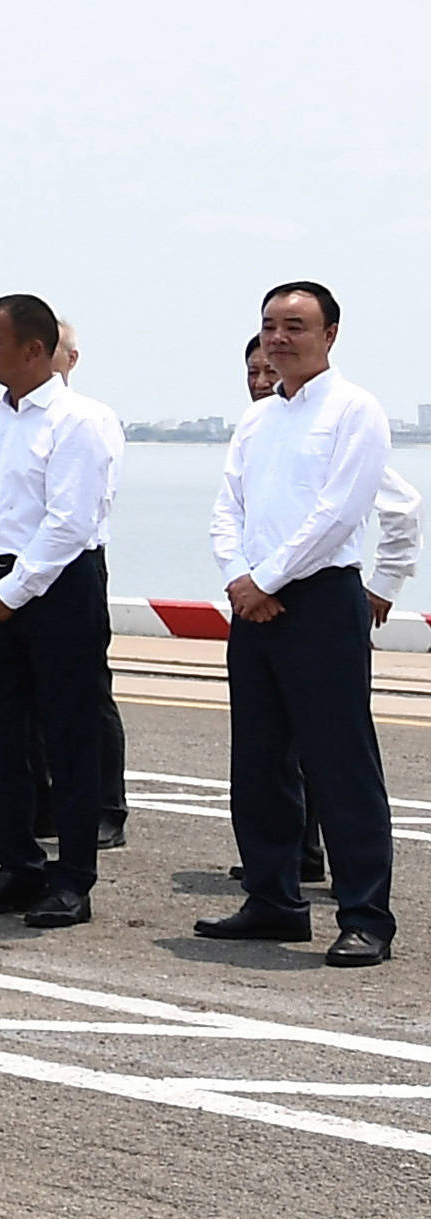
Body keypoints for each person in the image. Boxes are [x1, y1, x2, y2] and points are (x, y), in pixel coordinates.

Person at [197, 280, 397, 966]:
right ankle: (272, 900)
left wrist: (266, 578)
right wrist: (238, 576)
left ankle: (366, 913)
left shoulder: (354, 410)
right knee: (257, 760)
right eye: (270, 326)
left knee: (341, 764)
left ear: (330, 333)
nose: (279, 339)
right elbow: (229, 506)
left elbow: (338, 513)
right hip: (254, 605)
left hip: (320, 602)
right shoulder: (256, 419)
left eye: (295, 325)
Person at [0, 293, 119, 929]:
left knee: (69, 734)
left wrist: (13, 593)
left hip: (57, 586)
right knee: (0, 731)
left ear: (35, 349)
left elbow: (70, 520)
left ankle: (72, 877)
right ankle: (15, 863)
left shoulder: (80, 420)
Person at [41, 319, 132, 850]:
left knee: (88, 693)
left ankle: (105, 806)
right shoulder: (0, 419)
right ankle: (41, 804)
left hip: (73, 561)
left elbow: (82, 508)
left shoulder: (89, 419)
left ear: (70, 360)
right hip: (15, 570)